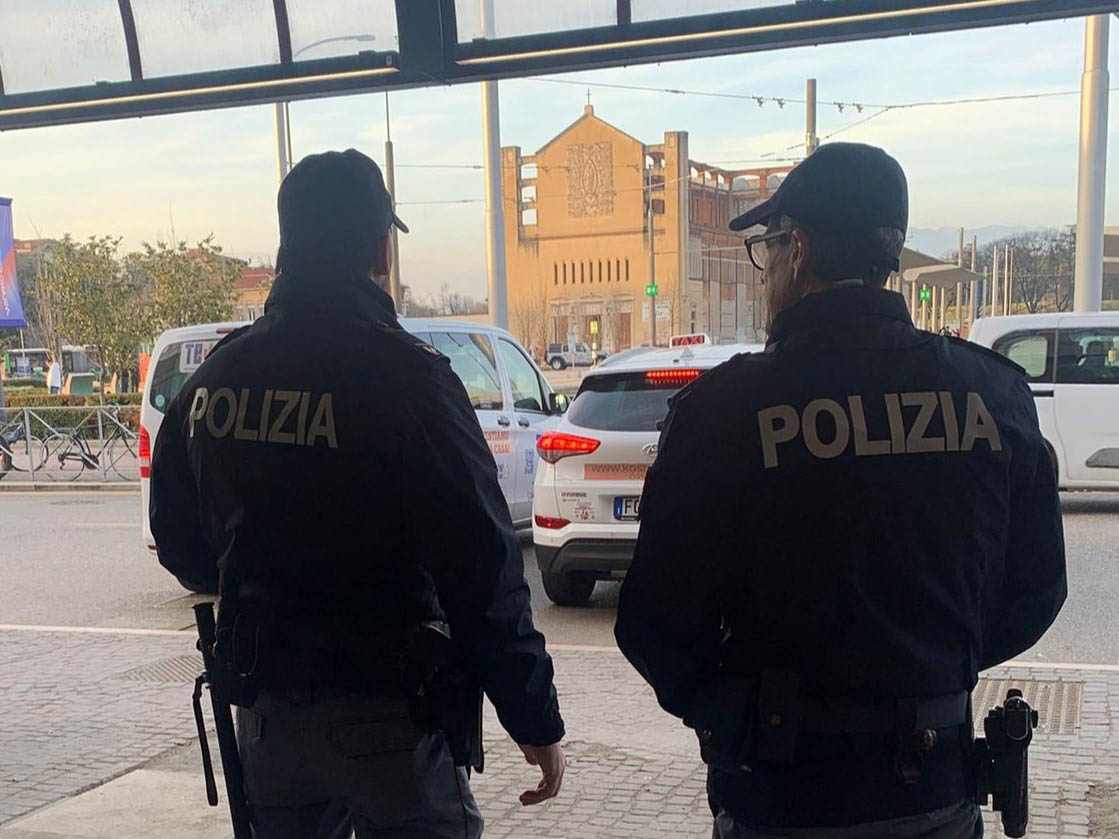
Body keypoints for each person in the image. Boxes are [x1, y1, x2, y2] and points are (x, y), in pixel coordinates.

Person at [614, 142, 1066, 838]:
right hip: (934, 793)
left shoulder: (725, 410)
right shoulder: (991, 393)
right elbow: (1036, 588)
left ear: (797, 249)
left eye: (766, 249)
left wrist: (734, 709)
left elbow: (653, 620)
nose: (765, 273)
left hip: (781, 795)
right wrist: (928, 666)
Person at [150, 149, 566, 838]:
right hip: (387, 711)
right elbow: (482, 566)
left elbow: (182, 545)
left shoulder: (215, 380)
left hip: (266, 715)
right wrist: (532, 715)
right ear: (380, 247)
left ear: (286, 244)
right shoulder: (409, 379)